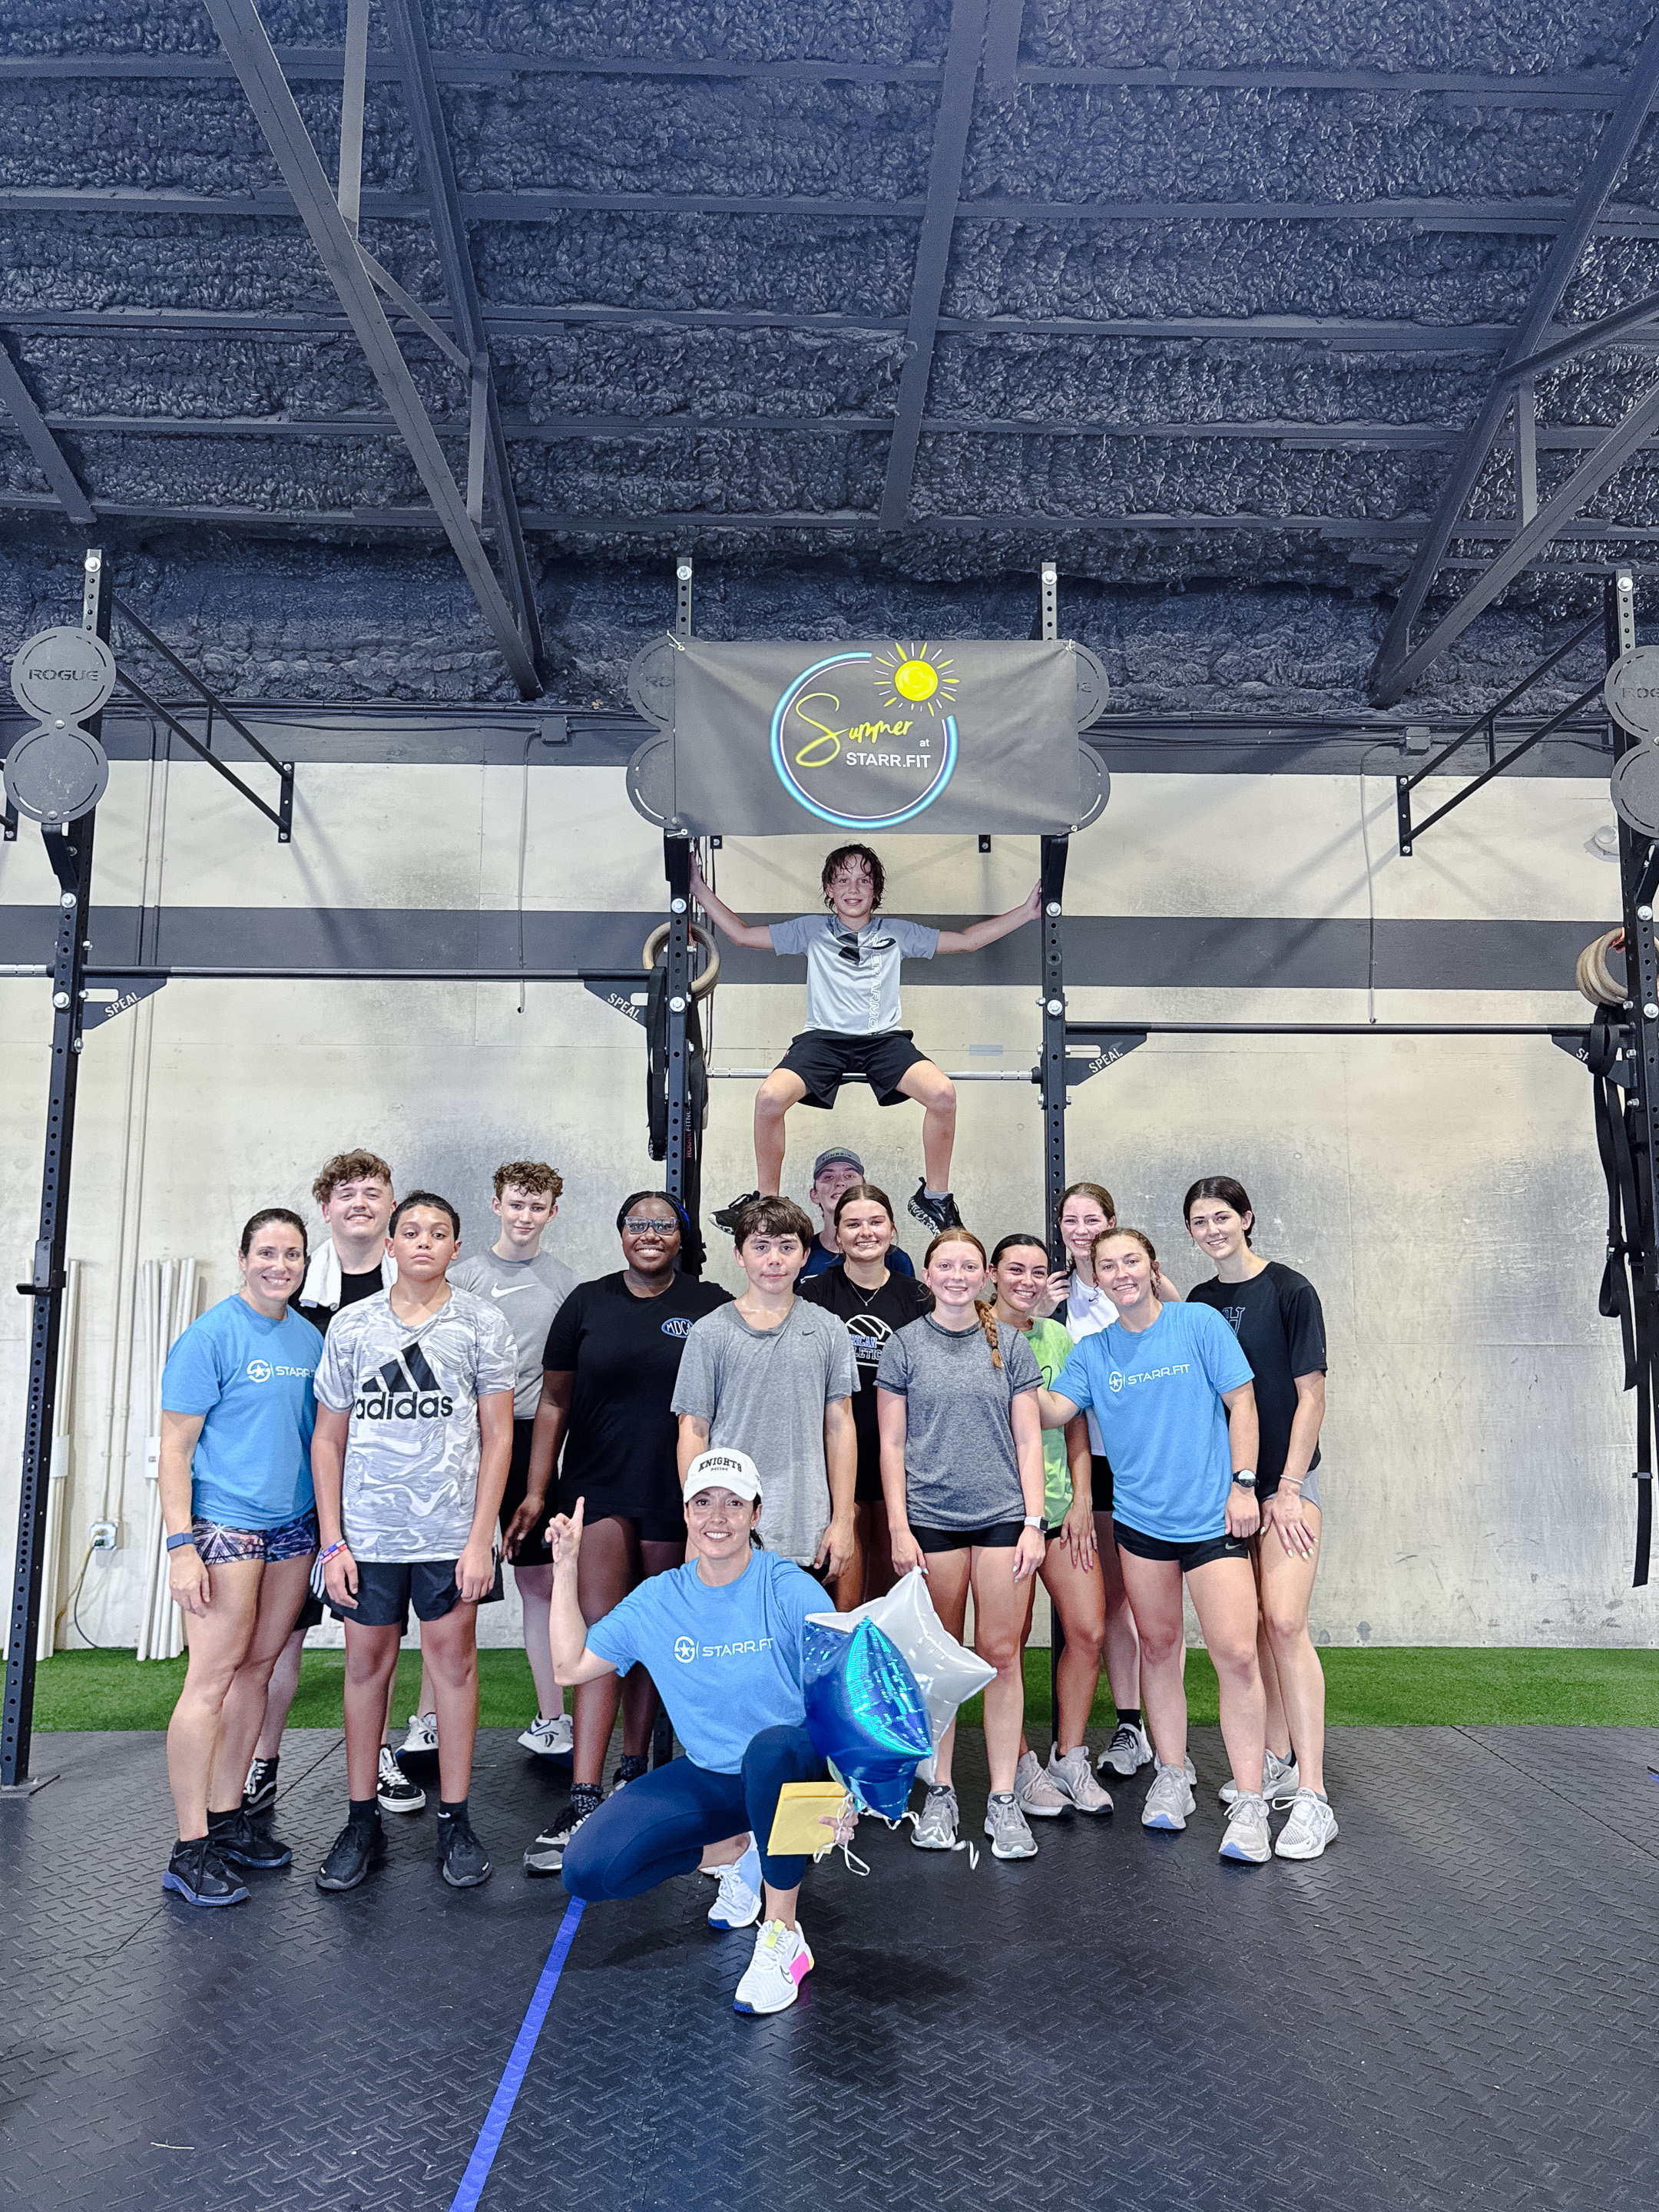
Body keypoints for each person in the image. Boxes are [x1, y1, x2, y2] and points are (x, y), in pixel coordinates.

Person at [555, 1450, 849, 2016]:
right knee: (589, 1868)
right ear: (686, 1513)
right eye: (704, 1501)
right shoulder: (659, 1600)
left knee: (768, 1750)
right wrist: (566, 1565)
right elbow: (569, 1666)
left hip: (793, 1767)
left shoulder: (789, 1588)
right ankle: (737, 1851)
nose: (719, 1515)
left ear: (756, 1513)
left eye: (734, 1503)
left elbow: (842, 1695)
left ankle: (783, 1936)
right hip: (714, 1775)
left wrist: (849, 1795)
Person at [1037, 1227, 1275, 1864]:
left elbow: (1243, 1403)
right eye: (1107, 1266)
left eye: (1130, 1262)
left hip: (1212, 1517)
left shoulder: (1196, 1323)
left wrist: (1244, 1485)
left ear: (1151, 1266)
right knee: (1160, 1647)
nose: (1119, 1274)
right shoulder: (1092, 1352)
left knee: (1235, 1654)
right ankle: (1173, 1773)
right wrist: (1000, 1346)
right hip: (1143, 1528)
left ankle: (1249, 1800)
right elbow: (1052, 1411)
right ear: (1097, 1279)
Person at [518, 1194, 730, 1875]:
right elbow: (553, 1401)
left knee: (657, 1635)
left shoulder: (710, 1304)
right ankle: (583, 1793)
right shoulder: (585, 1302)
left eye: (662, 1225)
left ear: (681, 1238)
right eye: (636, 1225)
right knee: (605, 1633)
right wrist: (535, 1488)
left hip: (679, 1495)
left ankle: (633, 1774)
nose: (649, 1235)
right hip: (598, 1487)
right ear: (619, 1235)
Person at [310, 1192, 516, 1892]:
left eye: (440, 1232)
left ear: (457, 1247)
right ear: (390, 1245)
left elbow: (499, 1437)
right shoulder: (352, 1326)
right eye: (412, 1232)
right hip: (367, 1538)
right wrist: (333, 1542)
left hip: (448, 1533)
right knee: (366, 1664)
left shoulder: (482, 1325)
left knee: (452, 1664)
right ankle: (361, 1817)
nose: (424, 1241)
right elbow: (328, 1437)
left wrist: (479, 1537)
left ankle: (455, 1818)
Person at [691, 841, 1041, 1237]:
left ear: (876, 890)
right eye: (843, 880)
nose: (853, 888)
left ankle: (936, 1198)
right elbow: (739, 934)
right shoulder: (811, 930)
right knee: (769, 1099)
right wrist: (697, 887)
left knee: (943, 1095)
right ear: (829, 888)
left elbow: (967, 940)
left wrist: (1027, 913)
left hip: (883, 1041)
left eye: (864, 880)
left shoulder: (896, 932)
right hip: (823, 1041)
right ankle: (766, 1203)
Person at [243, 1148, 424, 1821]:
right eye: (344, 1192)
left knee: (371, 1638)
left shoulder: (411, 1293)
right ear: (326, 1209)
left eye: (372, 1191)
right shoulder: (291, 1294)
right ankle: (261, 1762)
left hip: (378, 1497)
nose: (358, 1202)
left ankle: (375, 1757)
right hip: (296, 1493)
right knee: (280, 1635)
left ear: (392, 1205)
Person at [157, 1209, 323, 1906]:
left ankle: (228, 1823)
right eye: (266, 1252)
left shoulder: (311, 1338)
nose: (279, 1265)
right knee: (212, 1679)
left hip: (293, 1526)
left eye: (292, 1253)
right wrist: (180, 1546)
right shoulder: (210, 1335)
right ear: (243, 1257)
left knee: (258, 1670)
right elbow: (174, 1447)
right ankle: (189, 1847)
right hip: (225, 1526)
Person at [877, 1229, 1048, 1862]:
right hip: (932, 1520)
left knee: (1001, 1655)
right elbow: (891, 1445)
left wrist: (1035, 1522)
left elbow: (1029, 1442)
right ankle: (941, 1791)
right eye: (945, 1264)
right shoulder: (904, 1348)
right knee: (942, 1657)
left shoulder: (1012, 1347)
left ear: (984, 1277)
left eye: (968, 1266)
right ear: (927, 1273)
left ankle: (1003, 1798)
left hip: (1003, 1517)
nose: (957, 1274)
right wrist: (899, 1526)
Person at [1184, 1177, 1335, 1859]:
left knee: (1285, 1623)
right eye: (1199, 1221)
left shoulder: (1291, 1290)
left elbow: (1311, 1395)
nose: (1212, 1229)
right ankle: (1274, 1762)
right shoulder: (1198, 1301)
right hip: (1227, 1493)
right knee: (1247, 1633)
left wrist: (1287, 1486)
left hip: (1281, 1489)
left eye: (1222, 1217)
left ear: (1247, 1218)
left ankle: (1314, 1794)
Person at [1034, 1180, 1177, 1782]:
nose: (1083, 1229)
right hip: (1086, 1462)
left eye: (1094, 1218)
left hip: (1145, 1461)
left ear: (1112, 1222)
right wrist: (1040, 1311)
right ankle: (1129, 1725)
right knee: (1110, 1602)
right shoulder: (1052, 1300)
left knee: (1150, 1606)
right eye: (1072, 1220)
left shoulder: (1142, 1287)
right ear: (1062, 1229)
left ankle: (1156, 1737)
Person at [448, 1158, 580, 1763]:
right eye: (515, 1204)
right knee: (449, 1587)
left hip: (531, 1442)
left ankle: (553, 1719)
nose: (525, 1216)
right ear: (495, 1205)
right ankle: (430, 1719)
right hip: (467, 1440)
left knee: (540, 1583)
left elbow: (565, 1382)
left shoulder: (564, 1285)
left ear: (552, 1213)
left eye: (537, 1207)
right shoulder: (464, 1277)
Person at [982, 1234, 1114, 1819]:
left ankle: (1069, 1755)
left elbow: (1075, 1421)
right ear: (993, 1273)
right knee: (1005, 1648)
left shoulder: (1057, 1336)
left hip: (1060, 1510)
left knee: (1088, 1632)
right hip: (999, 1515)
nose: (1029, 1281)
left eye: (1039, 1272)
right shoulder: (972, 1330)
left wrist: (1083, 1498)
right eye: (1017, 1270)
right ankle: (1020, 1765)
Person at [673, 1196, 857, 1578]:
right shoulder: (710, 1332)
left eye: (787, 1247)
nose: (774, 1259)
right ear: (740, 1255)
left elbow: (840, 1427)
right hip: (726, 1528)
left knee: (798, 1638)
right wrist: (697, 1518)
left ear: (805, 1255)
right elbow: (693, 1430)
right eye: (761, 1246)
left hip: (806, 1527)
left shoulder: (829, 1330)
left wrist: (842, 1520)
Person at [800, 1182, 933, 1608]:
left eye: (876, 1222)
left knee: (886, 1601)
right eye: (853, 1223)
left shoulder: (917, 1297)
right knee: (841, 1597)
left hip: (902, 1461)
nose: (865, 1232)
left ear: (892, 1230)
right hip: (835, 1459)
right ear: (836, 1234)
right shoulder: (813, 1294)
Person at [796, 1145, 915, 1280]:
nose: (840, 1183)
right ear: (815, 1194)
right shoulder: (801, 1255)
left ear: (864, 1187)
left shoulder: (896, 1260)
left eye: (849, 1176)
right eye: (829, 1177)